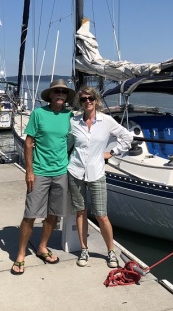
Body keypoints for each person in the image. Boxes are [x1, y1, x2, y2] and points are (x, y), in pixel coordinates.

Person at [11, 79, 75, 275]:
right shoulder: (38, 113)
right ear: (50, 95)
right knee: (30, 214)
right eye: (57, 92)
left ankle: (42, 247)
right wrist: (29, 171)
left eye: (64, 93)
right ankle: (21, 255)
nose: (60, 95)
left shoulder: (69, 116)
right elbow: (29, 143)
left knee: (53, 214)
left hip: (61, 172)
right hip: (39, 171)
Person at [67, 86, 133, 268]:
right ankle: (84, 249)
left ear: (96, 100)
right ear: (79, 103)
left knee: (102, 215)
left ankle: (111, 251)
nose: (87, 101)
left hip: (96, 172)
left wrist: (112, 152)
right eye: (83, 99)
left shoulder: (106, 121)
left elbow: (127, 137)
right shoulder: (74, 121)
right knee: (80, 212)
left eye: (90, 98)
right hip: (75, 171)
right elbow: (64, 142)